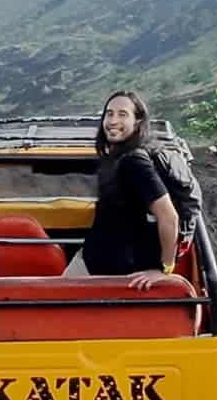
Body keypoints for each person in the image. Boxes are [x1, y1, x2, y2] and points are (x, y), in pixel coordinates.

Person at [66, 90, 181, 289]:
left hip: (121, 273)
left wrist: (164, 270)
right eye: (109, 113)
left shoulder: (134, 161)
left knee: (56, 311)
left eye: (122, 114)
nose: (113, 120)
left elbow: (169, 216)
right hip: (96, 261)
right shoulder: (115, 157)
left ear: (137, 122)